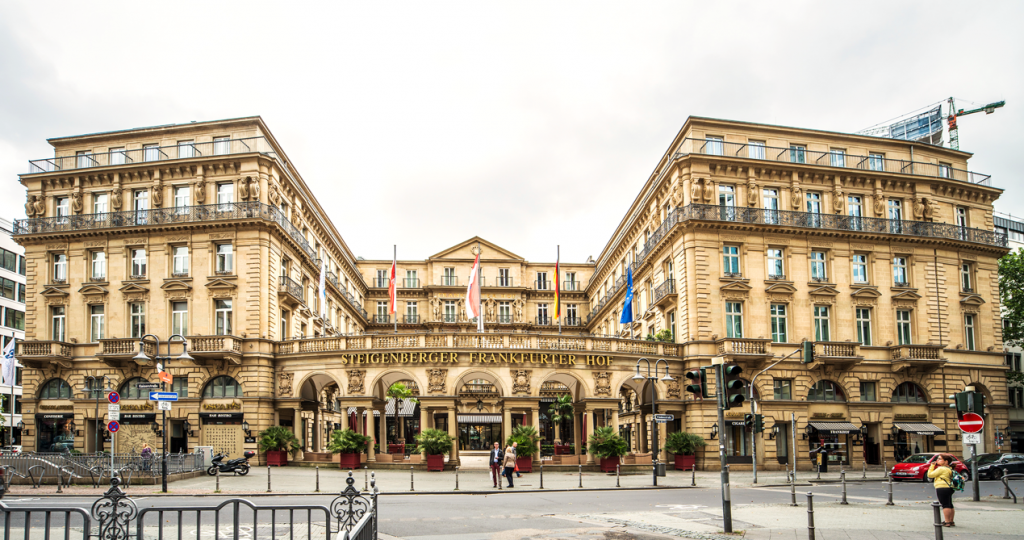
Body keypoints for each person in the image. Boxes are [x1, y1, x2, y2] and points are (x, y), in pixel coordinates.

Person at [928, 454, 956, 527]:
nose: (937, 460)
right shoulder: (949, 468)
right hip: (949, 487)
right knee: (949, 504)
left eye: (940, 459)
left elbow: (930, 475)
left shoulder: (941, 469)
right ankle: (951, 521)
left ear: (946, 461)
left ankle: (947, 522)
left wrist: (932, 466)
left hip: (942, 487)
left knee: (945, 505)